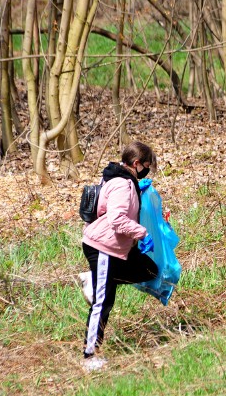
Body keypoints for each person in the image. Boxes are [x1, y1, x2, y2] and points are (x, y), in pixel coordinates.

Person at [79, 141, 158, 371]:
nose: (147, 170)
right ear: (136, 164)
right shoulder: (122, 185)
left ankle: (94, 282)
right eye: (146, 166)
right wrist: (141, 233)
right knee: (102, 302)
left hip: (115, 248)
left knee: (148, 269)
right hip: (103, 247)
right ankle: (89, 355)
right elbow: (116, 219)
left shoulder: (126, 181)